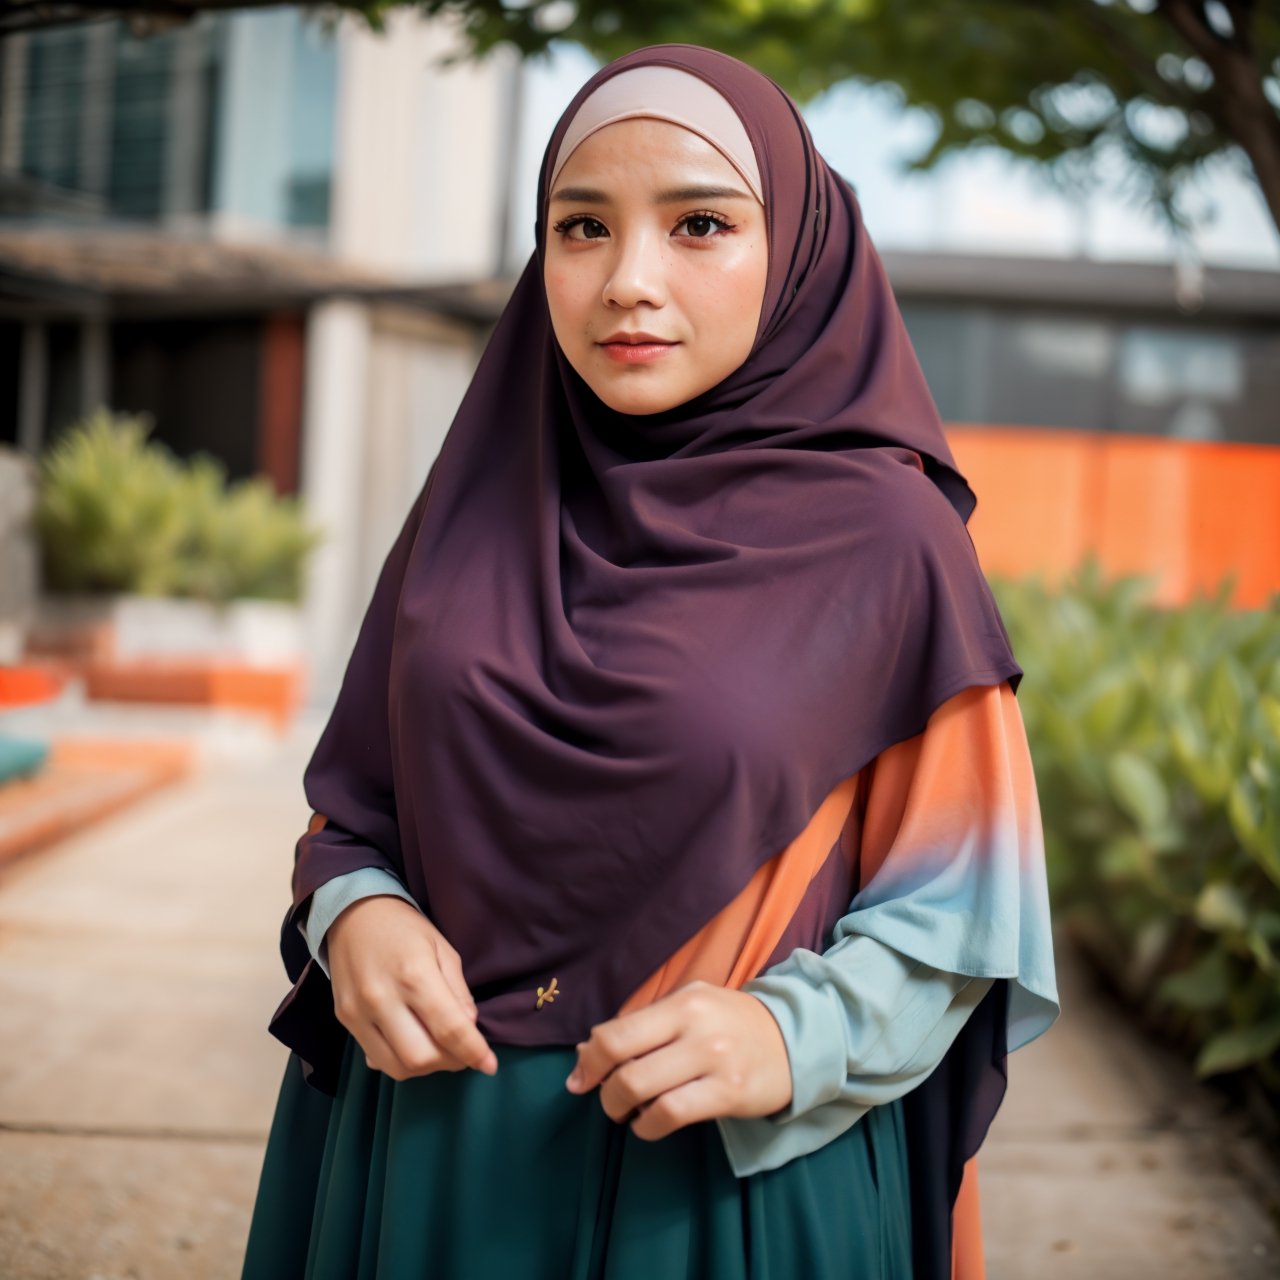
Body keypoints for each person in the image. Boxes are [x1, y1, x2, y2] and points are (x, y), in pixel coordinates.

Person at [240, 43, 1060, 1280]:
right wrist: (356, 913)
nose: (628, 279)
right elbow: (357, 806)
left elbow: (964, 906)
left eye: (699, 224)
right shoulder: (477, 510)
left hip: (719, 1180)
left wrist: (797, 1034)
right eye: (581, 227)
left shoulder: (891, 546)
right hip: (430, 1152)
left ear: (793, 250)